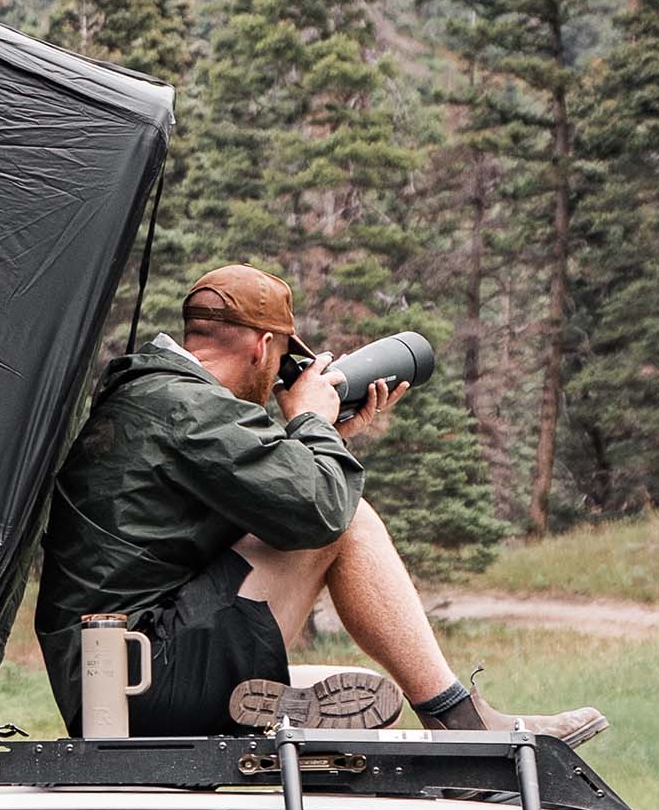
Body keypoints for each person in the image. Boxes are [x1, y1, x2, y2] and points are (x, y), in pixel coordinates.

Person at [36, 265, 605, 744]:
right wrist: (309, 420)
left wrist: (326, 439)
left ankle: (289, 706)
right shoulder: (189, 409)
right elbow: (320, 511)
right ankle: (460, 719)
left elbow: (254, 503)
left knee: (355, 685)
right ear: (264, 349)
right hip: (146, 680)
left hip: (116, 679)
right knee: (349, 520)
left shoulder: (157, 395)